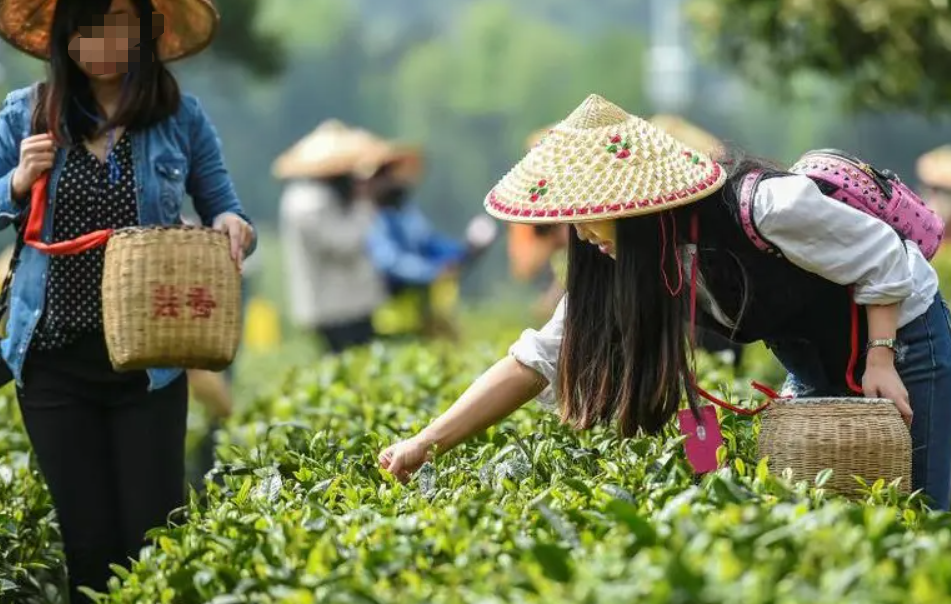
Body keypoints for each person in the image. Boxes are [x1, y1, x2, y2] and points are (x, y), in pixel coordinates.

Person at [379, 94, 951, 511]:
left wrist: (881, 357)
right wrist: (425, 442)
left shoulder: (768, 208)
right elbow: (535, 360)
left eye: (587, 215)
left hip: (902, 333)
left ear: (633, 205)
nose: (579, 234)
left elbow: (888, 257)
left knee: (924, 505)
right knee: (827, 508)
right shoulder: (627, 263)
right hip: (812, 355)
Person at [0, 1, 255, 601]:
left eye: (121, 26)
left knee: (153, 536)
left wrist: (231, 225)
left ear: (147, 34)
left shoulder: (179, 117)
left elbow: (223, 201)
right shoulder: (26, 114)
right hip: (53, 359)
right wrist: (15, 181)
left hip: (149, 364)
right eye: (91, 27)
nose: (105, 41)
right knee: (88, 546)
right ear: (66, 37)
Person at [275, 120, 388, 354]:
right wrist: (364, 205)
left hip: (350, 303)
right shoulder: (308, 203)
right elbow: (344, 245)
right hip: (334, 307)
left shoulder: (320, 198)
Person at [367, 147, 496, 340]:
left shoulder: (405, 210)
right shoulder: (369, 217)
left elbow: (428, 242)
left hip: (420, 307)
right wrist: (432, 272)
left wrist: (464, 252)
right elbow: (389, 261)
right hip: (387, 310)